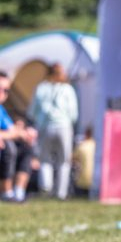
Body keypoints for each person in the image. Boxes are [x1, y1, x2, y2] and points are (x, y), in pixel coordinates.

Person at [29, 63, 78, 200]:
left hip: (45, 127)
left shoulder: (41, 88)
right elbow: (73, 113)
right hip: (64, 127)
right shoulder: (67, 89)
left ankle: (46, 188)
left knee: (45, 159)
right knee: (64, 161)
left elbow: (33, 111)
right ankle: (61, 193)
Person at [0, 72, 37, 202]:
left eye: (6, 90)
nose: (3, 93)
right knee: (9, 147)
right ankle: (6, 193)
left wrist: (25, 132)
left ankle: (18, 192)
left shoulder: (1, 110)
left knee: (26, 147)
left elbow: (12, 130)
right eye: (0, 89)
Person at [72, 127, 95, 197]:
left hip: (81, 183)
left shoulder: (81, 146)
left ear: (86, 134)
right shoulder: (97, 146)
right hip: (95, 183)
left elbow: (71, 159)